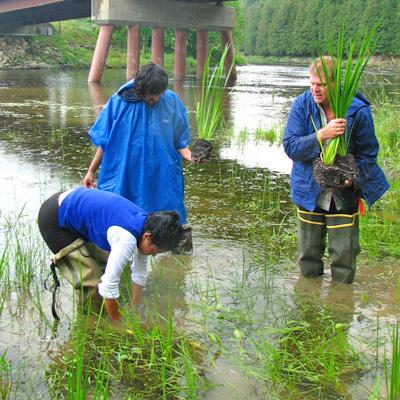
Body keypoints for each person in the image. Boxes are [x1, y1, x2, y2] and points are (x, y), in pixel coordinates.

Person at [283, 56, 389, 284]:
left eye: (320, 84)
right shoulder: (303, 104)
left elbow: (368, 154)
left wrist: (352, 178)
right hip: (309, 188)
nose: (314, 89)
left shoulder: (358, 110)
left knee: (344, 256)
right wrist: (322, 135)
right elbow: (291, 146)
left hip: (344, 192)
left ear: (335, 83)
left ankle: (341, 302)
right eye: (311, 82)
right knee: (308, 255)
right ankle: (308, 303)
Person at [38, 187, 182, 324]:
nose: (154, 255)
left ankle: (110, 311)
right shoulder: (126, 239)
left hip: (74, 208)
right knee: (91, 282)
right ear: (147, 236)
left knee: (117, 270)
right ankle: (91, 323)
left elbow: (139, 273)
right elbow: (107, 287)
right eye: (155, 251)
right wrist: (118, 324)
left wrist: (135, 308)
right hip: (54, 218)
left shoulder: (149, 225)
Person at [83, 62, 193, 224]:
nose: (156, 98)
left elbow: (180, 142)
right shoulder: (119, 102)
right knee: (120, 214)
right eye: (152, 95)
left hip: (161, 172)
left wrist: (192, 156)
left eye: (159, 93)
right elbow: (106, 141)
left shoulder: (171, 102)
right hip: (125, 171)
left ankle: (174, 245)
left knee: (167, 214)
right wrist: (91, 171)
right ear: (141, 90)